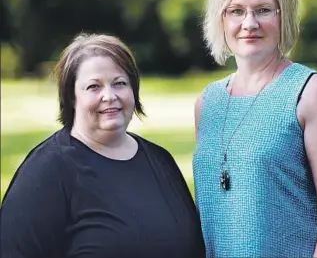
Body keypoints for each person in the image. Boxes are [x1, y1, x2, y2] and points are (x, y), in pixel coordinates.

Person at [193, 0, 317, 257]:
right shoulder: (208, 103)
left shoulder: (311, 93)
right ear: (221, 18)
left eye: (264, 10)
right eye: (236, 11)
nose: (249, 23)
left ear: (283, 16)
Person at [1, 33, 205, 258]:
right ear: (71, 97)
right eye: (93, 87)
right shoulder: (46, 172)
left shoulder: (160, 160)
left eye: (119, 83)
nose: (109, 96)